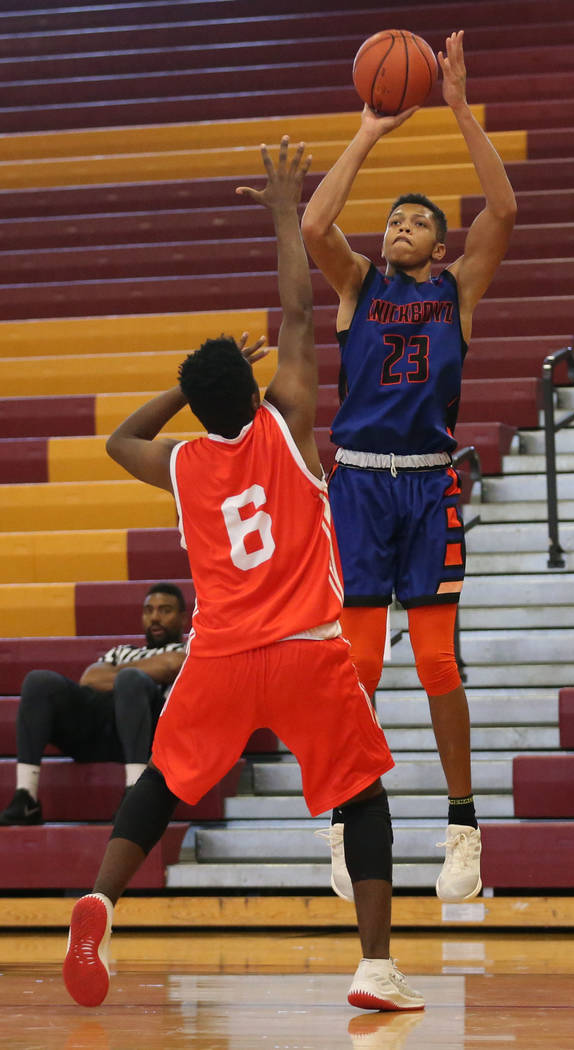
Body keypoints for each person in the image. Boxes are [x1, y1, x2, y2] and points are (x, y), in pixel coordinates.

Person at [62, 138, 424, 1014]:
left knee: (162, 783)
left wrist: (190, 389)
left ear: (201, 404)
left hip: (219, 658)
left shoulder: (183, 465)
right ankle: (374, 968)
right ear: (252, 389)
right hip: (304, 648)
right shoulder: (290, 424)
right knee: (364, 797)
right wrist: (281, 220)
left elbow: (116, 442)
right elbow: (299, 314)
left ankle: (101, 899)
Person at [301, 31, 517, 903]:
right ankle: (348, 819)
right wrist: (368, 130)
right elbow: (315, 223)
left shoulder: (453, 292)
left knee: (436, 667)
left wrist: (460, 109)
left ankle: (463, 828)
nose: (399, 226)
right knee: (355, 668)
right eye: (394, 217)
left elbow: (502, 212)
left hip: (428, 482)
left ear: (437, 245)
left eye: (417, 220)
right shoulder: (356, 285)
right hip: (356, 482)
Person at [0, 583, 187, 826]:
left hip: (149, 737)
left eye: (165, 610)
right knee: (39, 681)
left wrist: (121, 676)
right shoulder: (122, 651)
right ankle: (26, 797)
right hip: (99, 732)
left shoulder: (189, 650)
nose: (154, 617)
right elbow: (89, 678)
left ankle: (135, 796)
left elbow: (173, 665)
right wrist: (150, 670)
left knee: (130, 681)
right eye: (148, 610)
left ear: (183, 617)